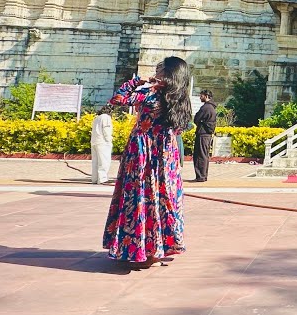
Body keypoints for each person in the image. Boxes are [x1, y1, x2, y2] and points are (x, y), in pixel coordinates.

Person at [103, 56, 193, 266]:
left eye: (159, 68)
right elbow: (181, 127)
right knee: (163, 196)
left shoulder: (149, 93)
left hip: (143, 150)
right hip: (167, 154)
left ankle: (140, 248)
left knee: (141, 195)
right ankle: (160, 246)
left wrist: (136, 81)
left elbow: (118, 99)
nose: (156, 70)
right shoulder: (180, 98)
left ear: (167, 72)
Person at [192, 89, 217, 182]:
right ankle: (203, 175)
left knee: (200, 155)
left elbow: (196, 119)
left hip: (203, 134)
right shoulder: (211, 107)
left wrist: (200, 121)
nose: (200, 97)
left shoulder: (206, 108)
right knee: (204, 155)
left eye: (201, 95)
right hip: (207, 134)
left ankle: (201, 176)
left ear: (206, 96)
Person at [90, 105, 114, 184]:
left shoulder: (97, 118)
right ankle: (102, 179)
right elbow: (106, 130)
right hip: (103, 142)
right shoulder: (106, 117)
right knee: (104, 161)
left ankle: (95, 178)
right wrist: (109, 140)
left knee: (95, 162)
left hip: (94, 141)